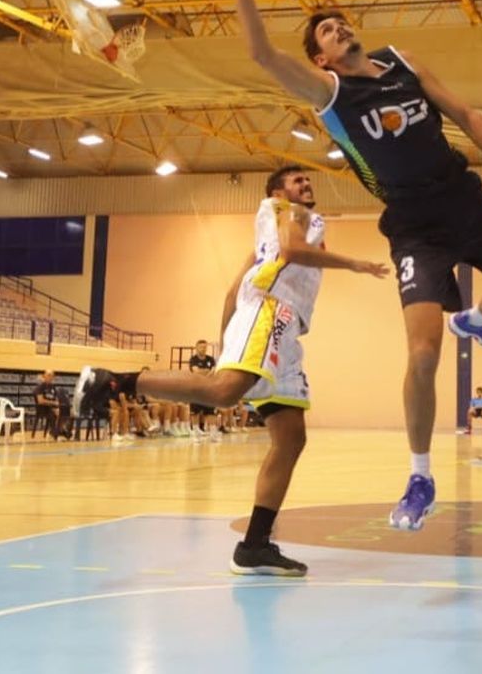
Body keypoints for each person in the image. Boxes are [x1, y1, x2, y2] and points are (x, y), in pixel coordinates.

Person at [224, 0, 482, 531]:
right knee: (422, 355)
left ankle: (479, 316)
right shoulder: (329, 94)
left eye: (341, 22)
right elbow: (260, 53)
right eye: (327, 31)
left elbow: (469, 116)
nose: (339, 28)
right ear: (321, 58)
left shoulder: (401, 61)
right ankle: (420, 476)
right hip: (414, 223)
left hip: (461, 195)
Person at [96, 166, 389, 576]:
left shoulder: (268, 235)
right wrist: (354, 263)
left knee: (290, 438)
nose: (306, 184)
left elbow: (233, 289)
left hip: (284, 327)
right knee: (225, 392)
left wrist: (224, 339)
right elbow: (293, 252)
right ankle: (115, 382)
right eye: (297, 180)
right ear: (278, 192)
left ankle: (254, 546)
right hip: (271, 310)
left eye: (308, 180)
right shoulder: (291, 213)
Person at [188, 339, 217, 436]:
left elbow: (213, 371)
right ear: (196, 348)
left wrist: (203, 372)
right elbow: (196, 371)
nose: (203, 349)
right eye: (201, 347)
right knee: (195, 410)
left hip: (208, 388)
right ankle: (195, 430)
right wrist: (206, 371)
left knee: (211, 410)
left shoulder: (211, 359)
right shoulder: (193, 359)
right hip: (196, 388)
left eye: (205, 347)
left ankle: (213, 431)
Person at [33, 370, 68, 439]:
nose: (50, 377)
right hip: (42, 408)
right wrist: (54, 403)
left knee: (66, 412)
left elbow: (56, 398)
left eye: (52, 376)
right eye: (48, 375)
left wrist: (58, 406)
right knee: (53, 412)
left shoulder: (53, 387)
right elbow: (40, 401)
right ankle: (54, 431)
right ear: (44, 376)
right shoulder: (40, 387)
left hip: (52, 407)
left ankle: (60, 429)